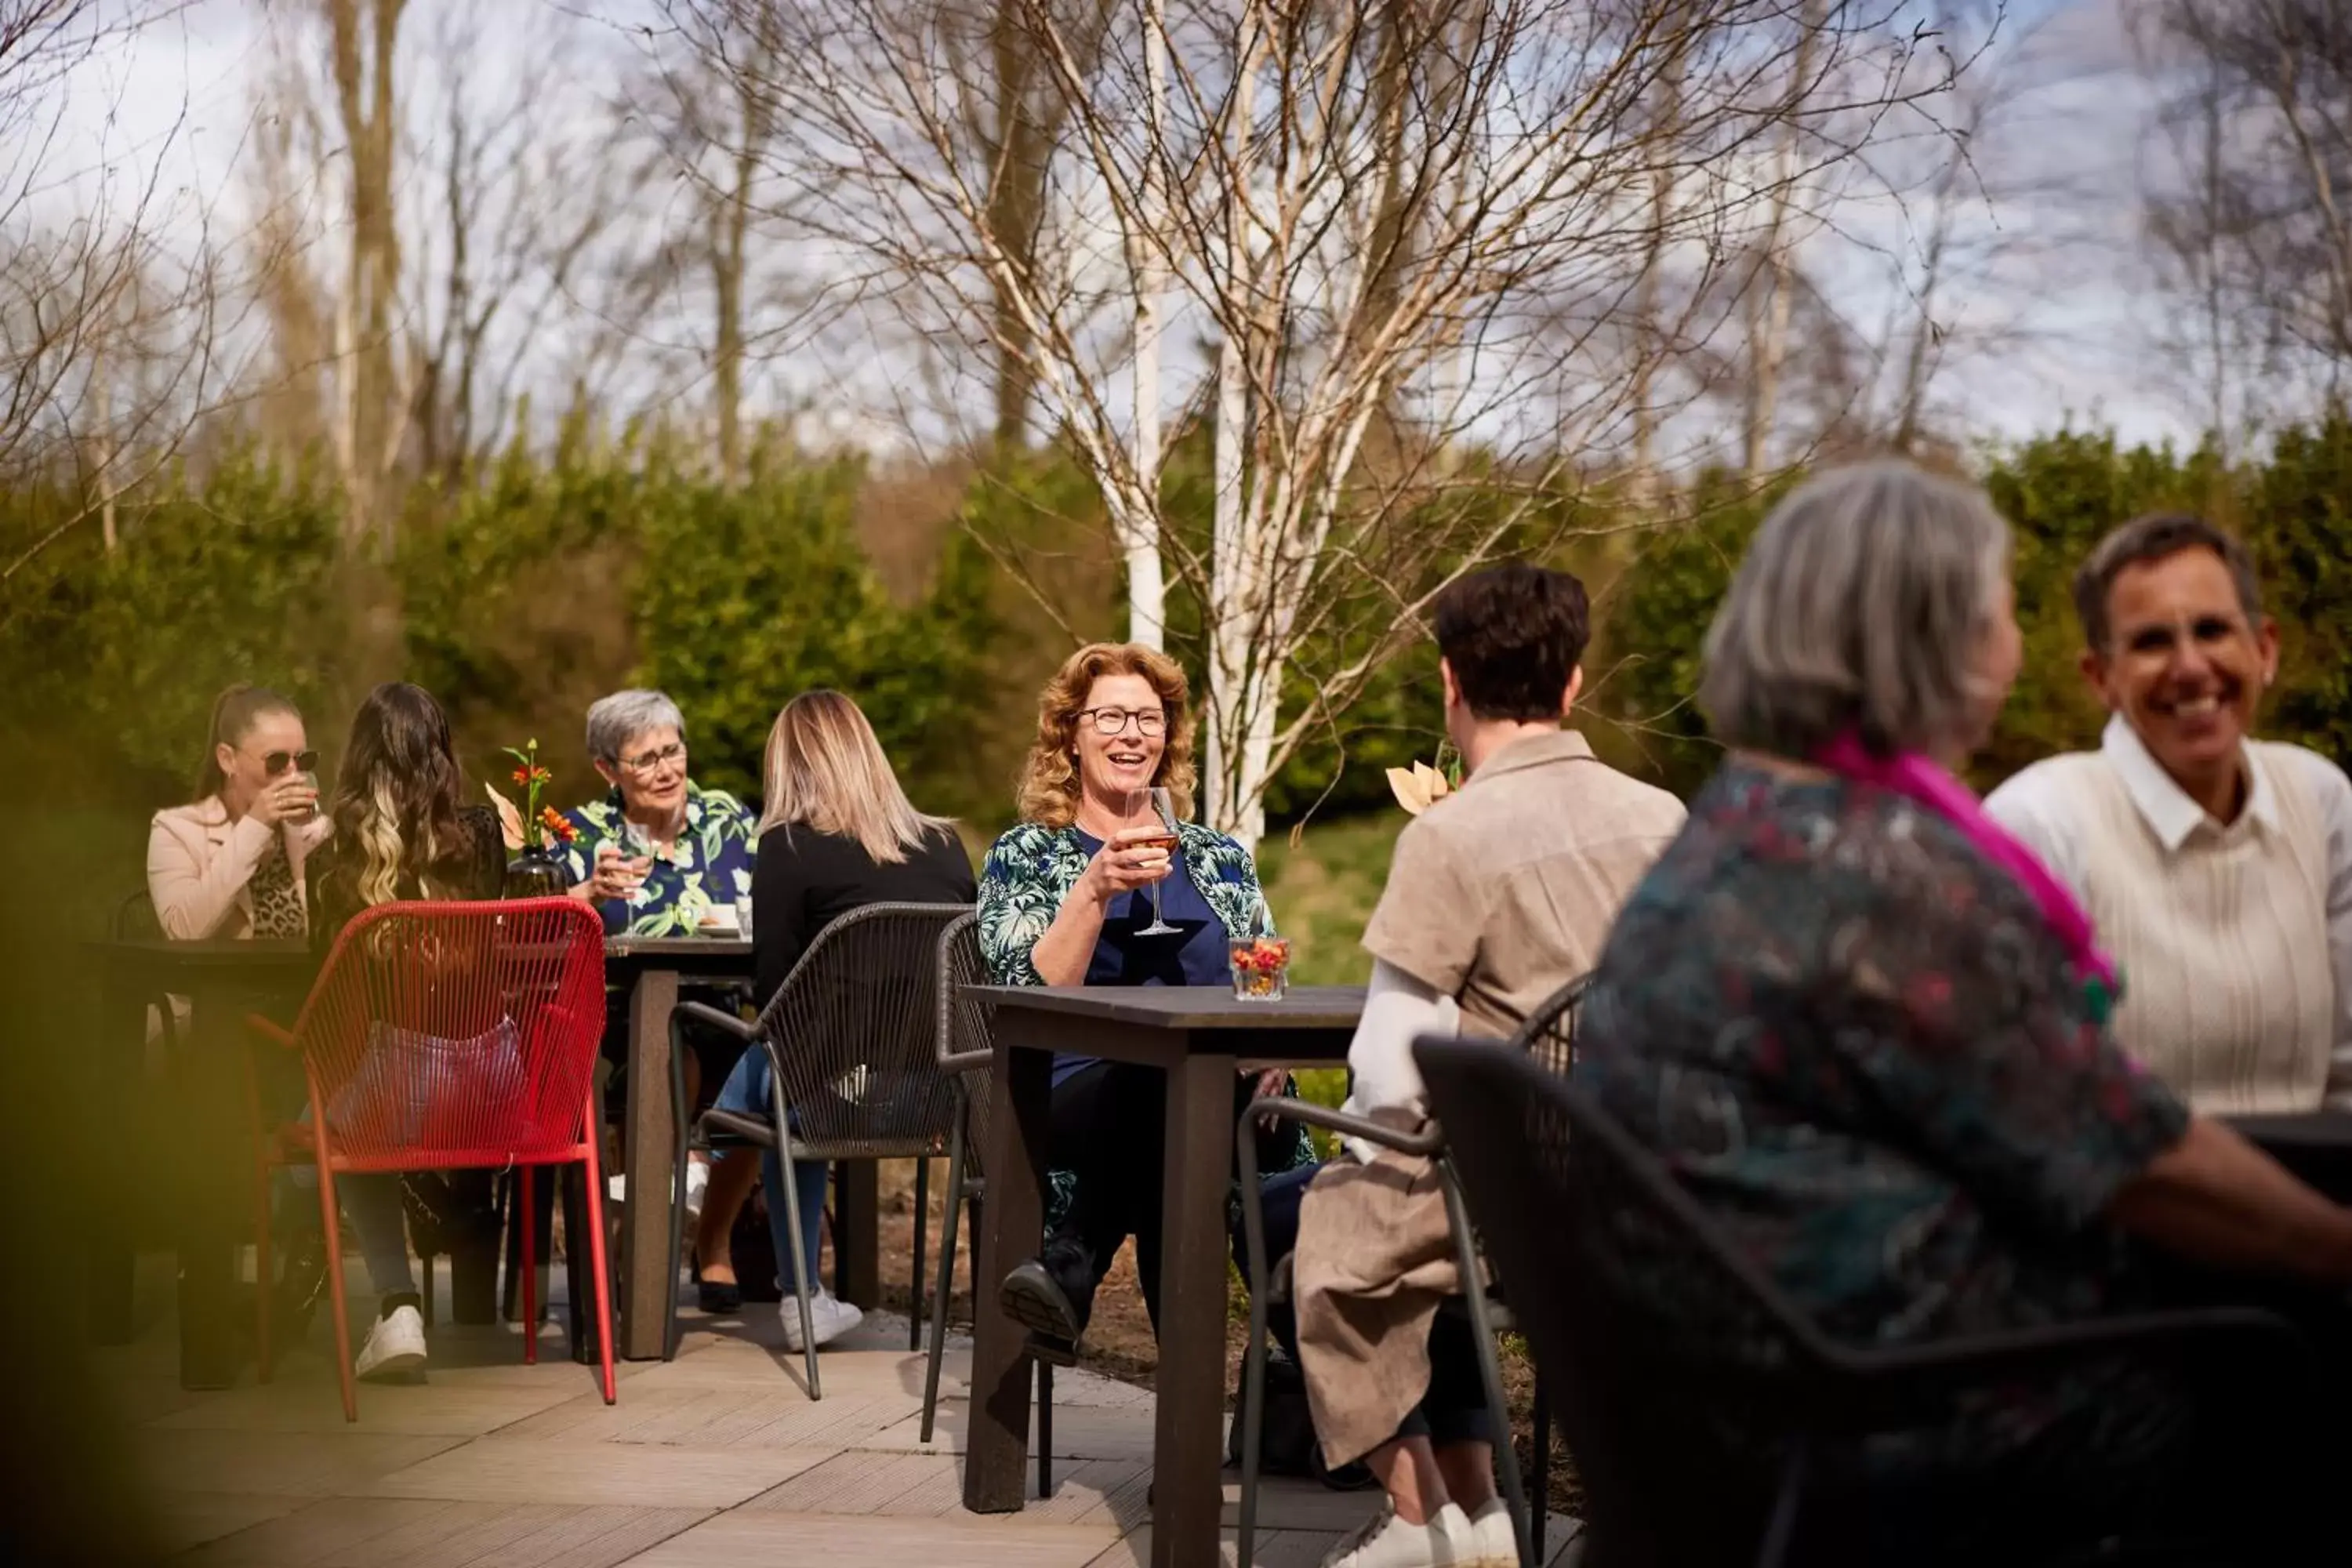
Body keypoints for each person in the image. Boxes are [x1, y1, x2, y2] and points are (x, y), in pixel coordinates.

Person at [1577, 460, 2352, 1561]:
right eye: (1997, 612)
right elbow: (2130, 1156)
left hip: (1738, 1419)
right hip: (1920, 1432)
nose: (2018, 646)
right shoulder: (1889, 878)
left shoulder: (1738, 830)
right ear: (1930, 637)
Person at [1288, 565, 1684, 1568]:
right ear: (1577, 679)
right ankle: (1488, 1506)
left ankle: (1422, 1519)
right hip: (1645, 1194)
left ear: (1449, 677)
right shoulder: (1666, 818)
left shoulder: (1451, 834)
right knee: (1416, 1201)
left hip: (1511, 1205)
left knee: (1318, 1224)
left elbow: (1387, 1072)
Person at [980, 642, 1313, 1348]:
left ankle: (1075, 1259)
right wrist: (1095, 887)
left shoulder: (1217, 855)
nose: (1132, 734)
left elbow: (1265, 971)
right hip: (1070, 1095)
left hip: (1222, 1093)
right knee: (1168, 1086)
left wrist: (1269, 1046)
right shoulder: (1027, 853)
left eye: (1149, 718)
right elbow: (1020, 994)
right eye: (1110, 717)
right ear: (1070, 735)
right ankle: (1253, 1415)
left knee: (1192, 1099)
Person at [1985, 514, 2352, 1115]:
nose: (2189, 665)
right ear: (2100, 677)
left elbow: (2347, 1074)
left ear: (2264, 649)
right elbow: (2023, 1109)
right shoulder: (2040, 825)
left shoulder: (2321, 800)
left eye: (2212, 630)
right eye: (2152, 641)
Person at [689, 690, 977, 1351]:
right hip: (929, 1095)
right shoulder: (945, 843)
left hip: (825, 1099)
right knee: (804, 1068)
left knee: (789, 1060)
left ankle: (707, 1167)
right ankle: (799, 1292)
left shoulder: (788, 847)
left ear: (789, 764)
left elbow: (774, 995)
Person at [298, 682, 506, 1385]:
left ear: (357, 761)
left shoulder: (335, 859)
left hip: (393, 1091)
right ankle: (441, 1210)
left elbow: (323, 1001)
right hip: (494, 1090)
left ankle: (396, 1304)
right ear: (443, 757)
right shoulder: (481, 835)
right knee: (367, 1105)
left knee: (325, 1126)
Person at [556, 689, 762, 1214]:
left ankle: (700, 1232)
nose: (667, 770)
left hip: (725, 1014)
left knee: (765, 1064)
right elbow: (529, 920)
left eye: (673, 750)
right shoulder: (579, 836)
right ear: (608, 769)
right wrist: (587, 894)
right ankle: (661, 1212)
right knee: (671, 1050)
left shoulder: (730, 819)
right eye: (646, 759)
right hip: (617, 1025)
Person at [147, 685, 329, 940]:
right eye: (276, 761)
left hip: (303, 980)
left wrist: (323, 843)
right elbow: (182, 931)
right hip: (222, 980)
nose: (293, 774)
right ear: (227, 759)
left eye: (302, 760)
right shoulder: (176, 830)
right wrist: (256, 825)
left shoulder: (312, 831)